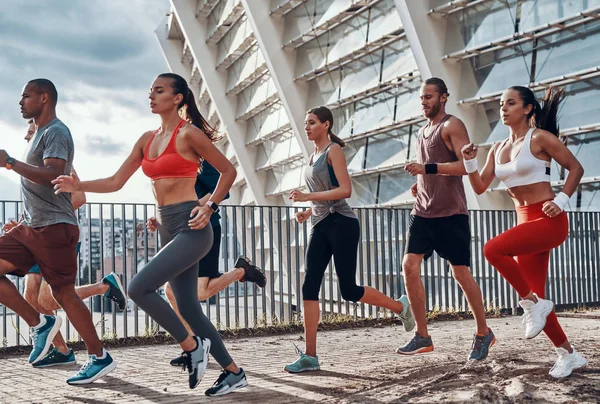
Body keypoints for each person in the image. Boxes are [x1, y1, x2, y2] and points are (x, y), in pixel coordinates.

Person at [53, 73, 248, 396]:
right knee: (188, 308)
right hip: (167, 227)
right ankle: (233, 372)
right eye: (150, 91)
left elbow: (228, 171)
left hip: (192, 227)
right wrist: (79, 185)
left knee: (138, 287)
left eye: (159, 91)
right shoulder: (147, 139)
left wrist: (210, 206)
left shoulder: (190, 135)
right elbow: (116, 182)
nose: (151, 96)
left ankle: (192, 347)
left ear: (178, 98)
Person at [461, 85, 588, 378]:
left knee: (492, 249)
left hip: (548, 219)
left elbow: (576, 168)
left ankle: (531, 303)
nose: (503, 108)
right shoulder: (497, 149)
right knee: (539, 300)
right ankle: (569, 355)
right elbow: (480, 186)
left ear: (528, 108)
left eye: (511, 103)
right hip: (524, 222)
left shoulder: (540, 138)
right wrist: (470, 162)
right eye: (501, 103)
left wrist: (561, 201)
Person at [0, 79, 116, 384]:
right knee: (51, 296)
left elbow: (54, 174)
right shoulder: (37, 134)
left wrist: (11, 162)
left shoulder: (56, 132)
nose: (20, 101)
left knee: (63, 294)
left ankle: (99, 357)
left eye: (25, 96)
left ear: (44, 97)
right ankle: (39, 325)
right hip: (32, 227)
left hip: (56, 228)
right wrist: (23, 221)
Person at [285, 105, 414, 373]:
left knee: (349, 290)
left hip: (342, 224)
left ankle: (399, 305)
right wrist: (308, 211)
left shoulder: (334, 151)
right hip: (320, 224)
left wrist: (308, 198)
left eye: (311, 122)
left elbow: (344, 190)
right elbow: (325, 192)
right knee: (309, 286)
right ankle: (310, 355)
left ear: (326, 125)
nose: (306, 127)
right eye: (306, 123)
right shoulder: (313, 155)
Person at [399, 77, 494, 361]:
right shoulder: (421, 132)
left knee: (460, 273)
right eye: (421, 98)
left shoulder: (452, 125)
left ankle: (483, 332)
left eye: (429, 97)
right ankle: (422, 335)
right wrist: (420, 183)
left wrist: (427, 168)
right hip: (423, 212)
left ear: (443, 98)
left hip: (451, 213)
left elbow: (466, 167)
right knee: (409, 265)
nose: (424, 101)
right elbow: (426, 171)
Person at [146, 159, 266, 368]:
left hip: (205, 229)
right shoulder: (176, 163)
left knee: (199, 293)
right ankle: (194, 347)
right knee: (171, 291)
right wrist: (160, 219)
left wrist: (191, 210)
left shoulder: (202, 160)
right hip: (181, 233)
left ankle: (240, 271)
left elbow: (223, 191)